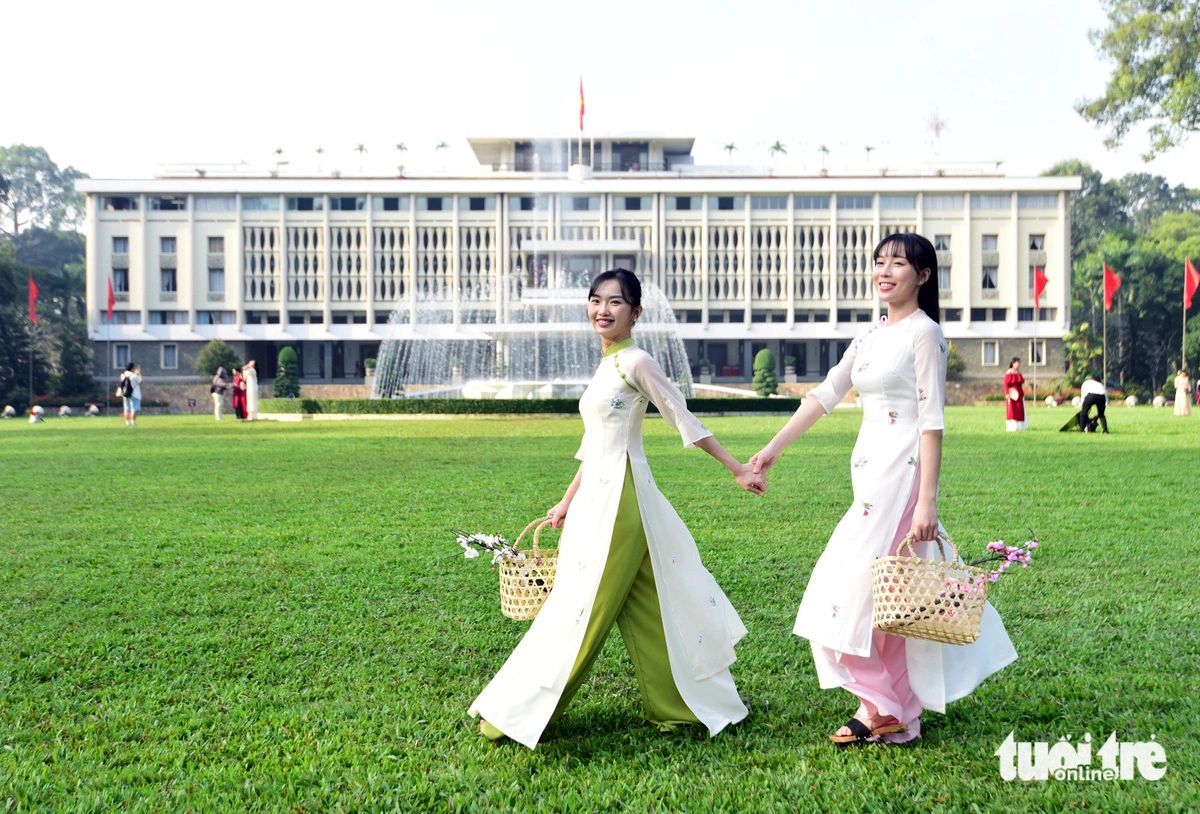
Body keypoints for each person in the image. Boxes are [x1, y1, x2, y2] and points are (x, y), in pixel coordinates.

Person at [470, 268, 763, 749]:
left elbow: (679, 414)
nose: (603, 309)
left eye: (616, 302)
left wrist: (734, 466)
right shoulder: (607, 364)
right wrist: (567, 499)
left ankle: (515, 714)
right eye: (595, 300)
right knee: (649, 605)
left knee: (582, 607)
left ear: (636, 312)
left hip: (622, 501)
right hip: (598, 497)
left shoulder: (636, 361)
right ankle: (686, 707)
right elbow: (596, 443)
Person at [750, 232, 1016, 745]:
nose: (885, 270)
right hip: (868, 476)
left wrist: (927, 502)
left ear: (923, 275)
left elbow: (933, 422)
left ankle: (882, 706)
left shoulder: (925, 334)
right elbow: (826, 394)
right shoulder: (870, 336)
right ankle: (890, 710)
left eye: (898, 262)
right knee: (885, 596)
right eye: (879, 262)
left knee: (844, 590)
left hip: (902, 474)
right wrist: (771, 449)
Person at [1003, 357, 1027, 431]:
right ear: (1013, 364)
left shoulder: (1018, 373)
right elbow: (1006, 384)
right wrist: (1007, 393)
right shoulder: (1009, 372)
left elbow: (1021, 384)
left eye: (1019, 363)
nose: (1019, 364)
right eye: (1017, 363)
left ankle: (1020, 426)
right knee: (1012, 410)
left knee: (1019, 409)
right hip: (1011, 394)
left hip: (1019, 394)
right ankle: (1012, 426)